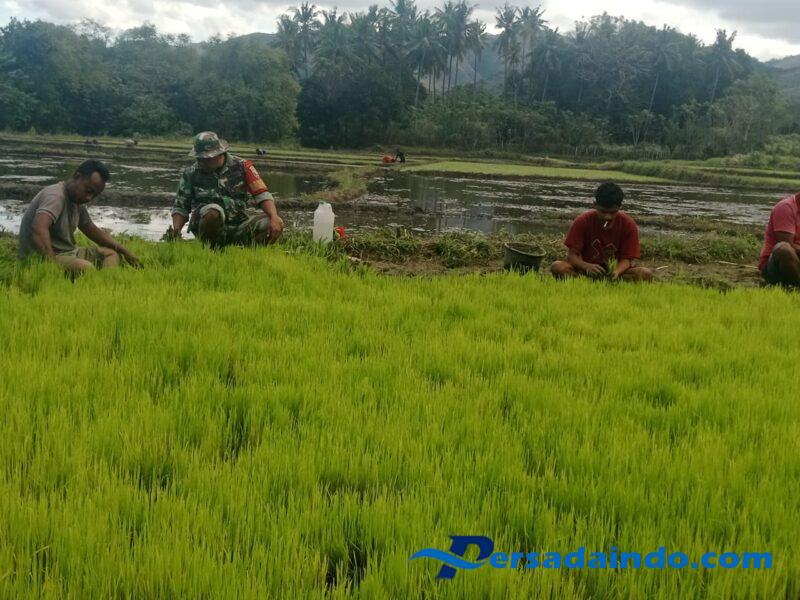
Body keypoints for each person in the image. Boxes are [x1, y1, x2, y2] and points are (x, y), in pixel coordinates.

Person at [17, 160, 141, 275]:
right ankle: (93, 283)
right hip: (43, 256)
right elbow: (38, 228)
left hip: (68, 252)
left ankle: (105, 282)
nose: (89, 198)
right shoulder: (55, 196)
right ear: (77, 177)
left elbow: (91, 229)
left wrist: (125, 251)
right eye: (88, 191)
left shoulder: (77, 201)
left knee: (111, 254)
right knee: (85, 268)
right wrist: (51, 264)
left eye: (94, 195)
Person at [169, 132, 284, 246]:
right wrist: (176, 232)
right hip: (205, 224)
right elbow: (180, 206)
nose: (202, 162)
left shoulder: (243, 166)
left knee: (274, 222)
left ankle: (248, 250)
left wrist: (274, 217)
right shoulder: (191, 173)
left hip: (239, 224)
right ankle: (208, 248)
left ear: (219, 153)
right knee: (213, 211)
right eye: (199, 158)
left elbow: (262, 194)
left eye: (206, 158)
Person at [551, 182, 653, 282]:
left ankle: (611, 280)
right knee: (558, 267)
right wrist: (587, 266)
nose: (607, 217)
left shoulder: (628, 224)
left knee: (645, 274)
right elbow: (572, 255)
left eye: (612, 212)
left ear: (619, 207)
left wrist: (616, 272)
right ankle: (584, 282)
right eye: (603, 211)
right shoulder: (583, 221)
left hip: (615, 273)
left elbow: (627, 259)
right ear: (595, 205)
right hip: (584, 271)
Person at [758, 191, 800, 287]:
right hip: (776, 266)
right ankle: (796, 286)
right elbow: (789, 244)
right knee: (784, 249)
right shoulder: (785, 208)